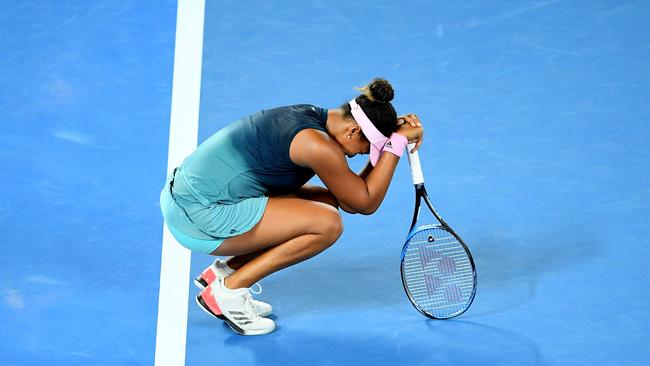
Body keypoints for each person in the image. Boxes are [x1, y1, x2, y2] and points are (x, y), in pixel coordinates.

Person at [159, 78, 424, 336]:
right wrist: (395, 145)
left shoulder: (314, 118)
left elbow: (350, 200)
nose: (359, 154)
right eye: (367, 148)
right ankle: (228, 291)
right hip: (196, 217)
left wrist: (388, 141)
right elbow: (365, 204)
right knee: (327, 225)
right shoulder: (317, 146)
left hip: (190, 198)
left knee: (328, 202)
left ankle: (226, 271)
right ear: (353, 130)